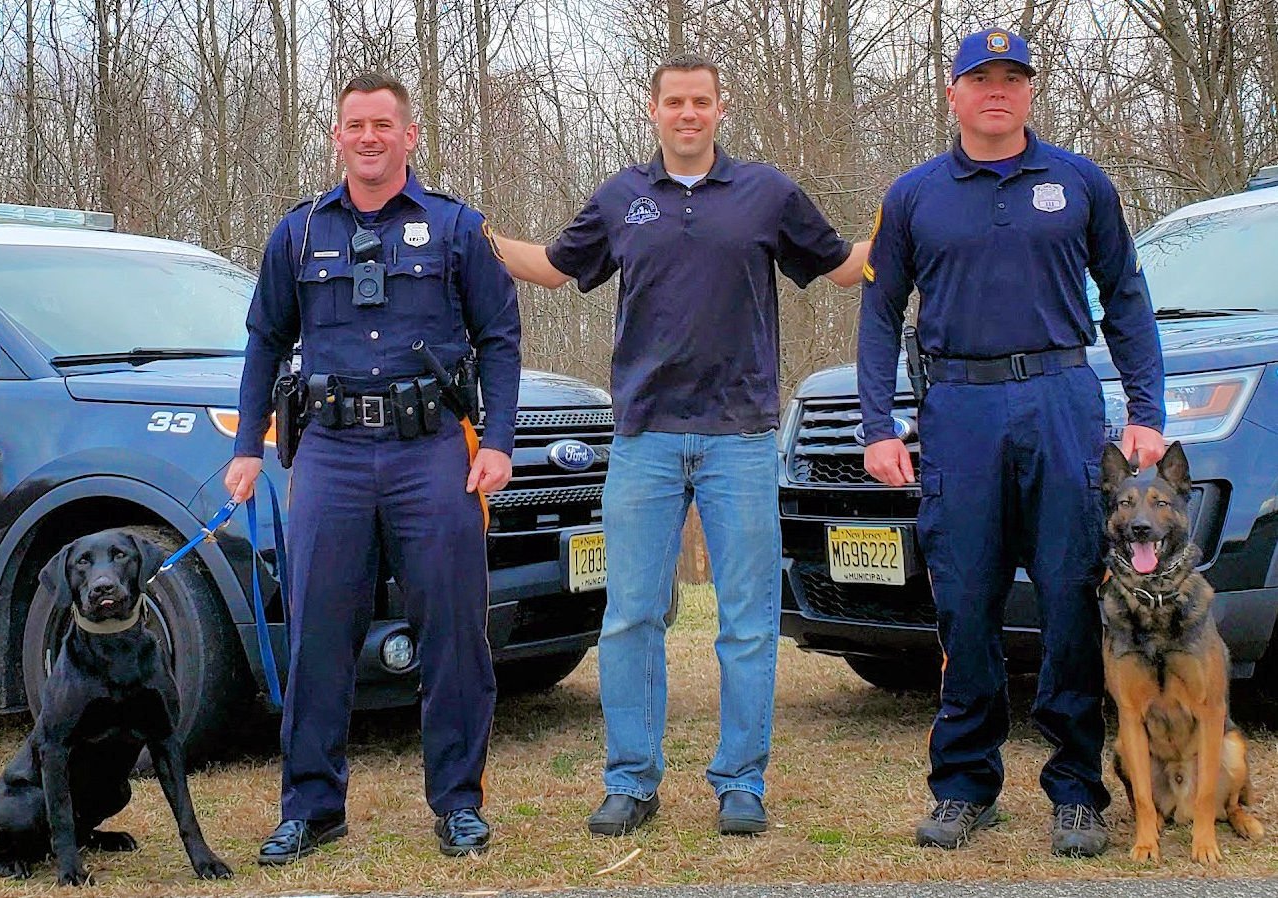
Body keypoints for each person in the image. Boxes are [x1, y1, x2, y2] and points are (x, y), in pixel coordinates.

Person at [494, 53, 868, 837]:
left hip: (739, 437)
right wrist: (475, 233)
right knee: (631, 615)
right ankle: (631, 781)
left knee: (747, 620)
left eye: (701, 101)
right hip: (643, 438)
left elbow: (841, 271)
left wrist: (910, 227)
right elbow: (556, 271)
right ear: (653, 109)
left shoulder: (766, 193)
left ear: (720, 108)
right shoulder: (621, 198)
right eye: (675, 102)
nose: (688, 114)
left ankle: (741, 782)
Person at [857, 28, 1165, 857]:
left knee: (1069, 595)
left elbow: (1126, 295)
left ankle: (1074, 790)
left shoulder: (1077, 183)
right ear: (952, 94)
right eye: (979, 78)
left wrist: (1145, 406)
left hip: (1061, 402)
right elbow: (880, 312)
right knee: (964, 598)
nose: (997, 90)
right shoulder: (916, 194)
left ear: (1029, 92)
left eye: (1012, 78)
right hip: (957, 409)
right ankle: (963, 786)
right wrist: (878, 426)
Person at [225, 72, 521, 862]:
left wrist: (497, 442)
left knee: (453, 633)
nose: (368, 137)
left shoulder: (457, 228)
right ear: (336, 135)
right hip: (330, 452)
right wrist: (246, 446)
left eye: (382, 124)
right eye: (354, 124)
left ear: (409, 135)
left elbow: (499, 337)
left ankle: (458, 804)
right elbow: (262, 339)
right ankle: (312, 807)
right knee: (318, 633)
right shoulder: (297, 234)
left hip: (433, 452)